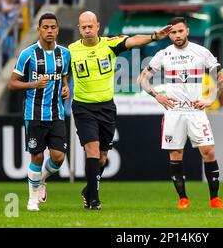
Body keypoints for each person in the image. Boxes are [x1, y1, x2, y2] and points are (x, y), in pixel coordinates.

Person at [68, 11, 172, 210]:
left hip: (106, 107)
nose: (88, 30)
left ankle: (88, 189)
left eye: (91, 26)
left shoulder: (109, 44)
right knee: (92, 148)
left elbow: (132, 41)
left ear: (98, 26)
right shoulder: (70, 51)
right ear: (79, 29)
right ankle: (94, 200)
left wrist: (153, 37)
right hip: (83, 107)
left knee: (103, 158)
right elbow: (63, 70)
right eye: (84, 27)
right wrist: (65, 85)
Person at [138, 17, 223, 209]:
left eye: (180, 31)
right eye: (173, 32)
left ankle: (214, 200)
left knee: (209, 151)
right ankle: (183, 199)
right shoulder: (163, 54)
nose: (177, 35)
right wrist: (157, 95)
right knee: (176, 155)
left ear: (187, 31)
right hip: (174, 111)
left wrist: (211, 98)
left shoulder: (201, 52)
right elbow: (143, 78)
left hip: (196, 111)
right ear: (169, 34)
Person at [7, 12, 71, 212]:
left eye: (53, 27)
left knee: (59, 157)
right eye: (46, 27)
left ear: (58, 30)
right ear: (39, 30)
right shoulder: (28, 54)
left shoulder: (64, 54)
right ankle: (32, 199)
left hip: (56, 113)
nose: (49, 31)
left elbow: (63, 75)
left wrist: (65, 87)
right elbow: (12, 84)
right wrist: (34, 83)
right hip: (34, 114)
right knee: (37, 156)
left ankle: (40, 179)